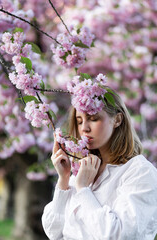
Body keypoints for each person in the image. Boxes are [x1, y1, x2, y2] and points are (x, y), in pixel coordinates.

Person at [41, 86, 157, 240]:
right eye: (79, 121)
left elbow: (119, 235)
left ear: (117, 120)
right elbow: (53, 231)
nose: (84, 129)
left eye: (94, 119)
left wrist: (83, 190)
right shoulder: (83, 169)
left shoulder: (139, 172)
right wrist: (64, 180)